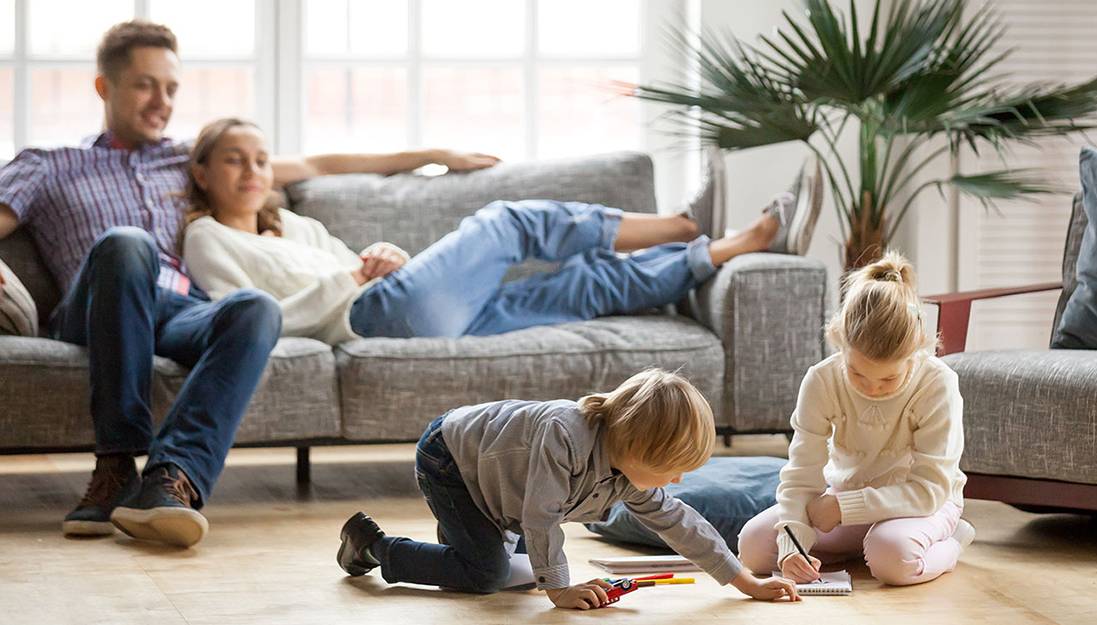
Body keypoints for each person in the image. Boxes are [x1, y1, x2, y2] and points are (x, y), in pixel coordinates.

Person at [0, 20, 498, 547]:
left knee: (255, 307)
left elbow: (316, 163)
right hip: (99, 308)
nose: (162, 102)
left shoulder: (186, 159)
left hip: (176, 309)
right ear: (105, 87)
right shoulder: (49, 165)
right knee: (128, 243)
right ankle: (115, 464)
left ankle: (172, 480)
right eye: (145, 85)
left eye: (171, 88)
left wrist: (433, 155)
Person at [179, 118, 806, 343]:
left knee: (582, 286)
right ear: (203, 173)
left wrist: (382, 255)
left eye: (260, 159)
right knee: (508, 222)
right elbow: (244, 319)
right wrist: (352, 279)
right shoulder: (207, 238)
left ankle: (730, 245)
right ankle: (681, 223)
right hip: (373, 316)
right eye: (235, 160)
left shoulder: (293, 225)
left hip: (403, 305)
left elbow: (354, 260)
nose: (252, 171)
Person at [335, 369, 800, 609]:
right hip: (452, 459)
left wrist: (745, 581)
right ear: (635, 448)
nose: (676, 481)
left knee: (515, 573)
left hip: (500, 482)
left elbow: (680, 523)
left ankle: (464, 548)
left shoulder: (629, 471)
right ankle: (373, 546)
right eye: (670, 469)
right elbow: (541, 516)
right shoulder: (564, 434)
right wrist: (559, 589)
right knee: (488, 576)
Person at [736, 251, 976, 586]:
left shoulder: (938, 384)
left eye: (889, 379)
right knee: (753, 548)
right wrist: (793, 547)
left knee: (893, 560)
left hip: (923, 505)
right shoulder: (821, 379)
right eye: (857, 373)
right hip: (845, 499)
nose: (872, 388)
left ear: (917, 351)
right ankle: (862, 547)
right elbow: (802, 475)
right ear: (839, 342)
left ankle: (951, 542)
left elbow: (929, 491)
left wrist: (842, 508)